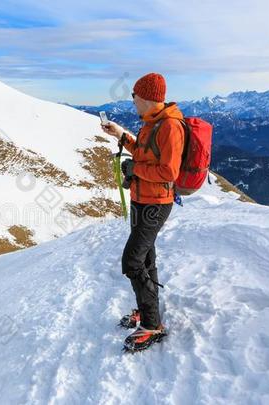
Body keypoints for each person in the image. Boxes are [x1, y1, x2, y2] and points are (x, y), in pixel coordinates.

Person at [101, 72, 185, 352]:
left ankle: (152, 325)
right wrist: (122, 135)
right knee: (146, 256)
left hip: (155, 203)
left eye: (134, 95)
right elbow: (144, 153)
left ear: (147, 98)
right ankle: (147, 310)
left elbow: (168, 171)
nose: (132, 100)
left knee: (133, 261)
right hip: (142, 198)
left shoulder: (170, 126)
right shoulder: (153, 123)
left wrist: (136, 170)